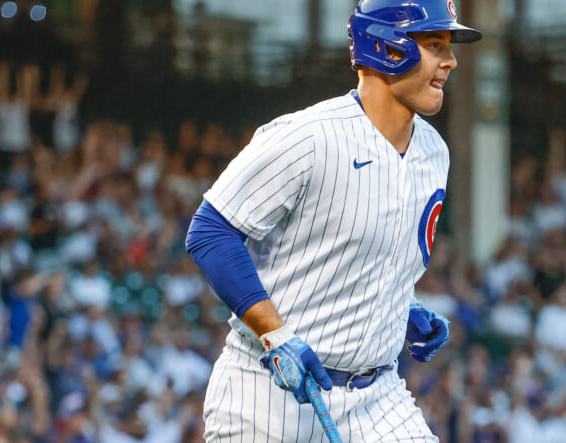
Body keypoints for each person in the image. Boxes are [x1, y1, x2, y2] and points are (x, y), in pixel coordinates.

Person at [185, 0, 482, 440]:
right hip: (268, 395)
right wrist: (274, 334)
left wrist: (400, 305)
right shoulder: (308, 137)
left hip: (377, 395)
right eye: (435, 44)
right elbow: (211, 232)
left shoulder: (434, 151)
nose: (451, 61)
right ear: (388, 47)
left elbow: (360, 249)